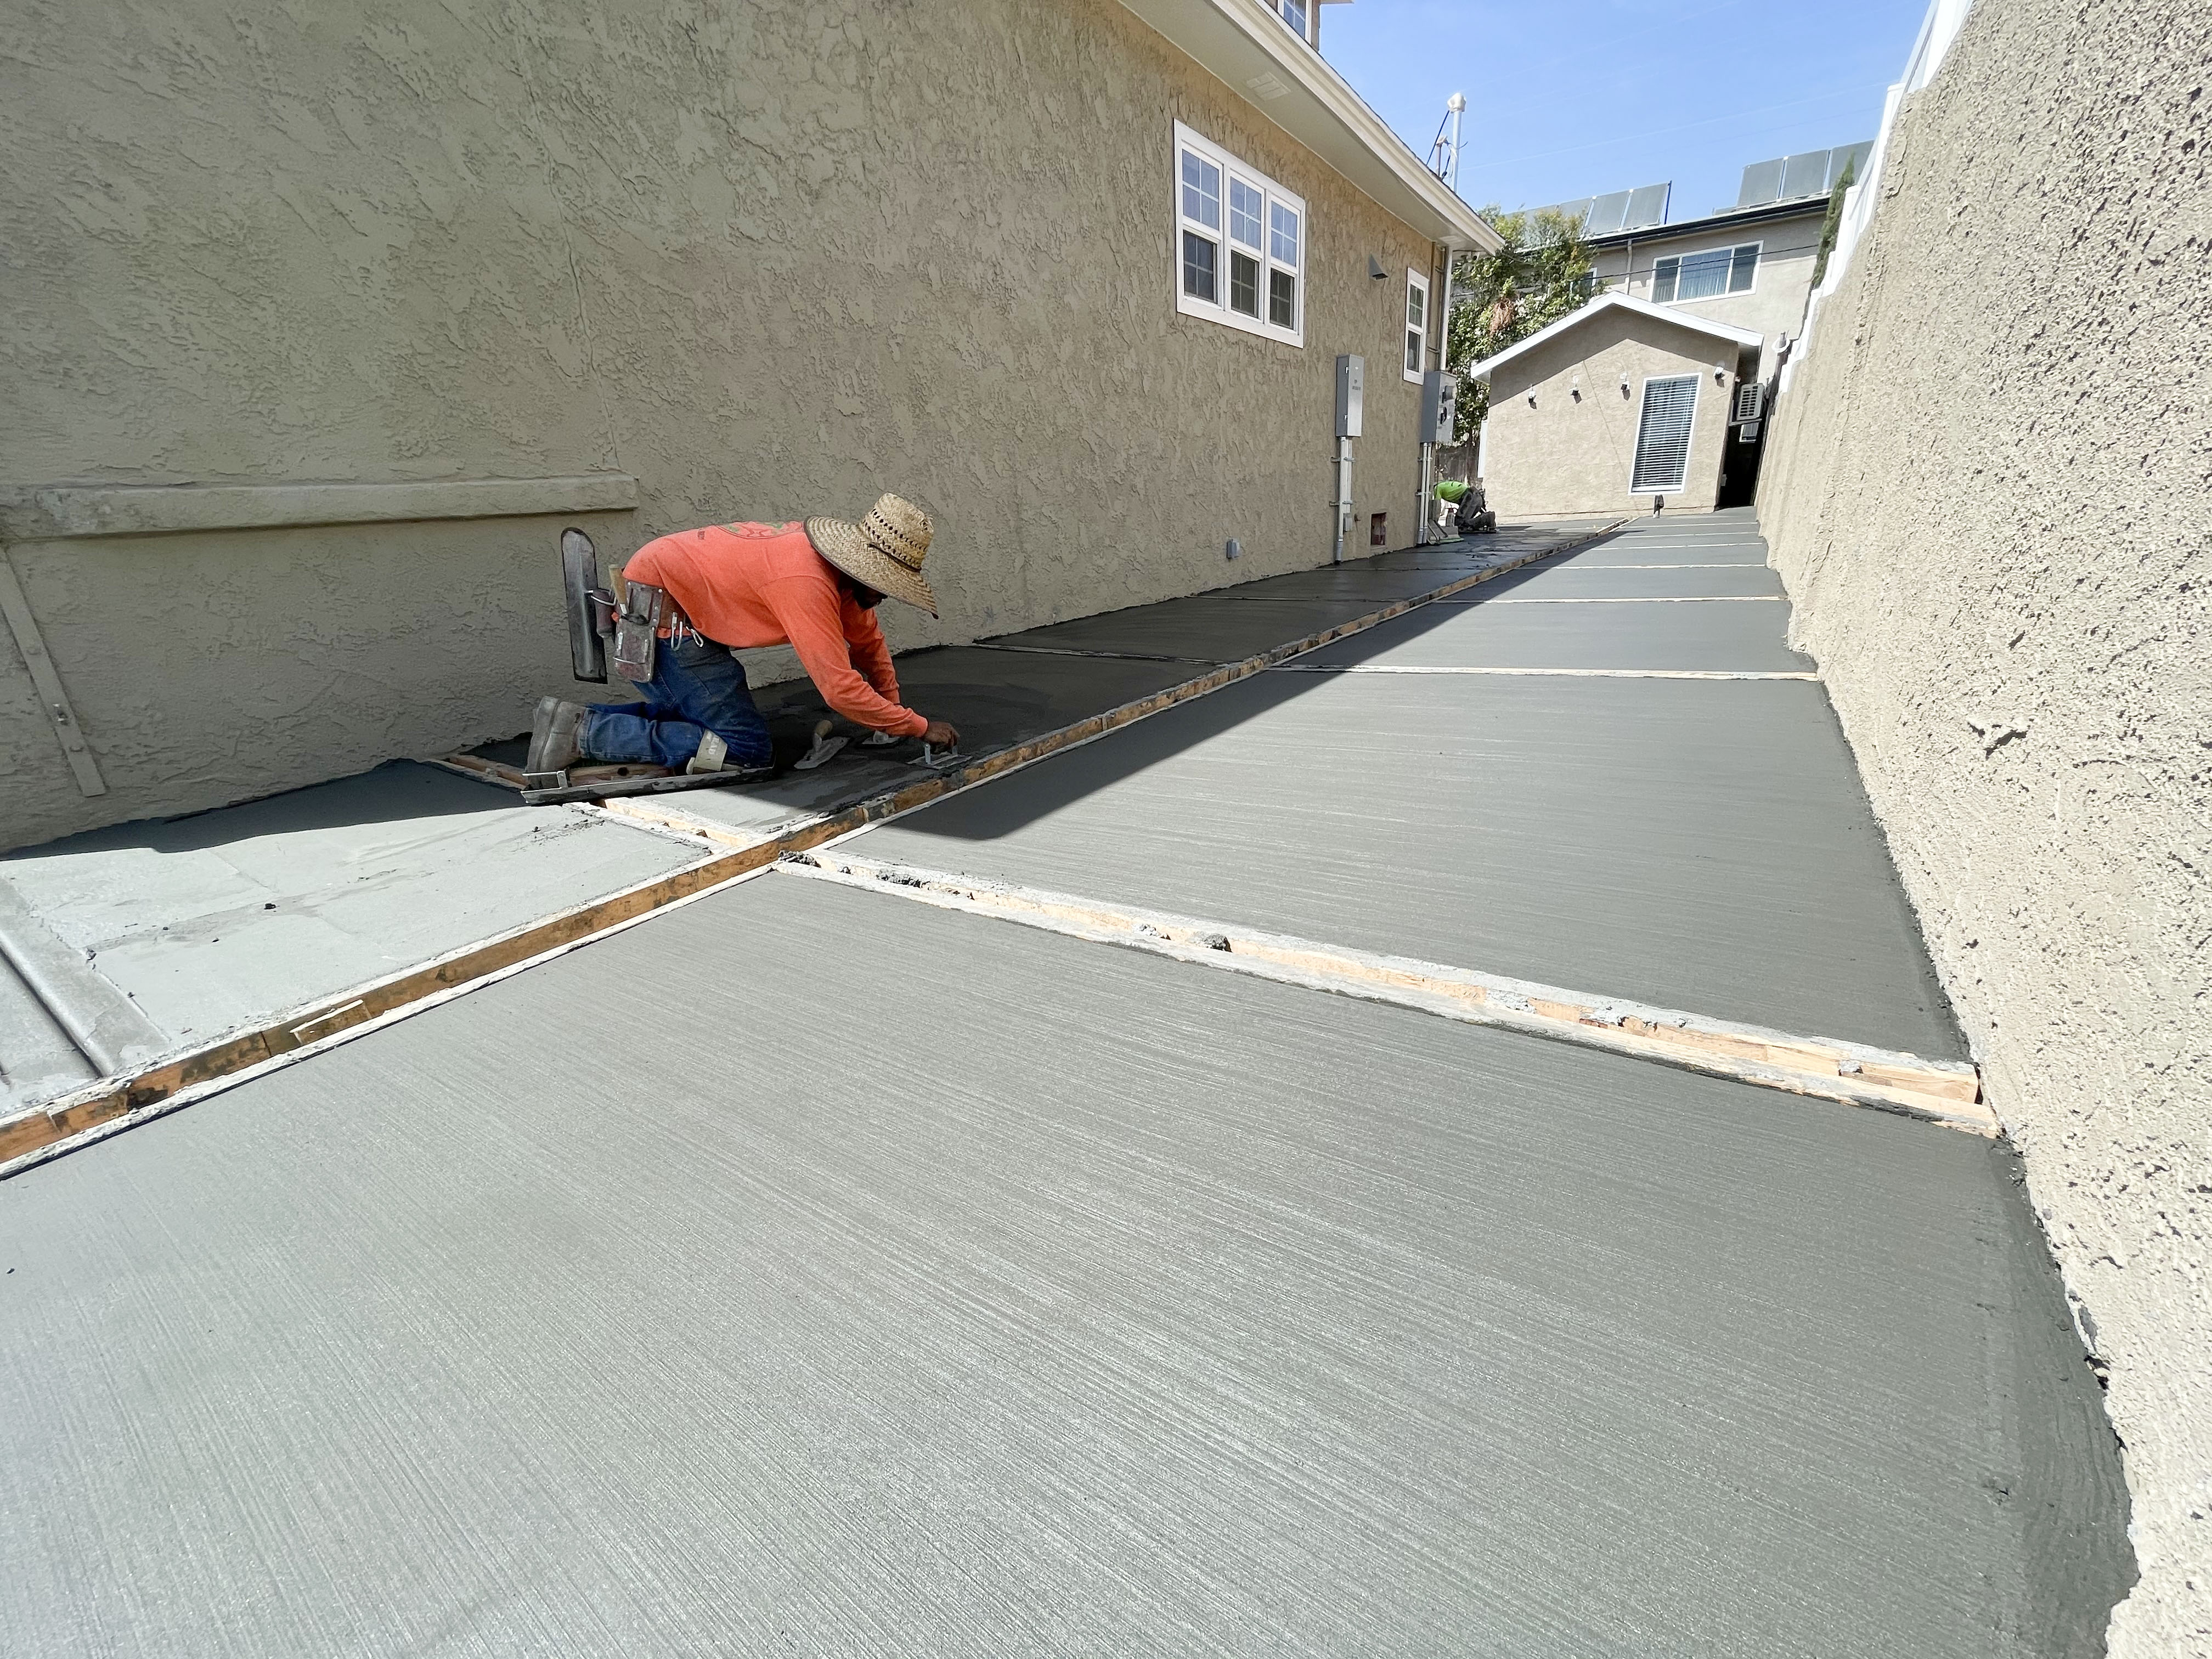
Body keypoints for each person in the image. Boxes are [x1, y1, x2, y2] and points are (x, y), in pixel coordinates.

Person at [527, 494, 958, 776]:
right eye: (884, 585)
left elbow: (869, 646)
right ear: (862, 569)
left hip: (680, 610)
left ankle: (569, 720)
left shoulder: (848, 584)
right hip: (661, 622)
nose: (884, 597)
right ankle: (586, 734)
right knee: (745, 750)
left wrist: (894, 712)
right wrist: (919, 728)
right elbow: (839, 690)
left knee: (702, 720)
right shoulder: (805, 582)